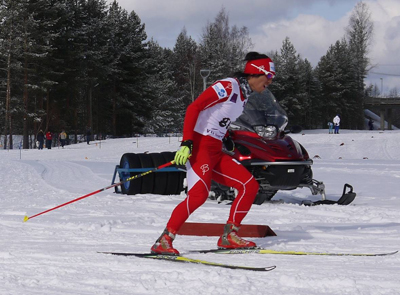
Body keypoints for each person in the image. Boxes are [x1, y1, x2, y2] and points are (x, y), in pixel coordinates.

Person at [151, 52, 276, 255]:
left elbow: (218, 119)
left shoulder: (244, 95)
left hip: (216, 149)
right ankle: (164, 240)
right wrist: (187, 143)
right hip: (200, 147)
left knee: (249, 186)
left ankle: (230, 236)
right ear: (257, 73)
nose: (270, 82)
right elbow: (195, 107)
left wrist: (228, 139)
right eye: (269, 77)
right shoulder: (228, 86)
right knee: (199, 195)